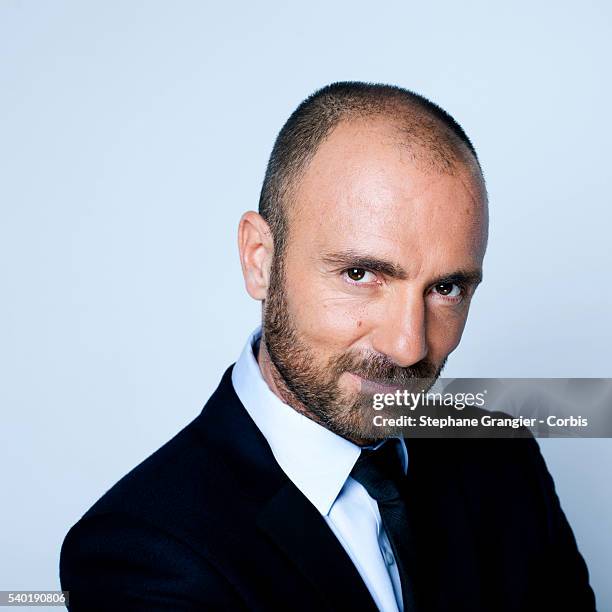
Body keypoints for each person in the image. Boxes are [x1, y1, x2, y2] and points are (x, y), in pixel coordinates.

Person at [59, 82, 596, 611]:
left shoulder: (501, 458)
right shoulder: (140, 554)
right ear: (260, 259)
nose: (408, 346)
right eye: (360, 274)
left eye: (446, 288)